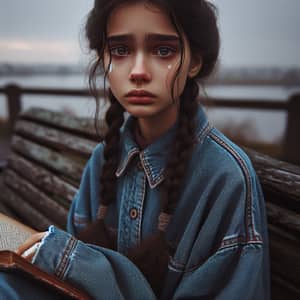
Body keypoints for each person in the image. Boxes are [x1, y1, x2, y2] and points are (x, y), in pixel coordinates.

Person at [0, 0, 270, 299]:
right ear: (104, 59)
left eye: (163, 50)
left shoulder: (225, 178)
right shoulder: (103, 160)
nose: (138, 71)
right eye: (121, 50)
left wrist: (77, 263)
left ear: (195, 61)